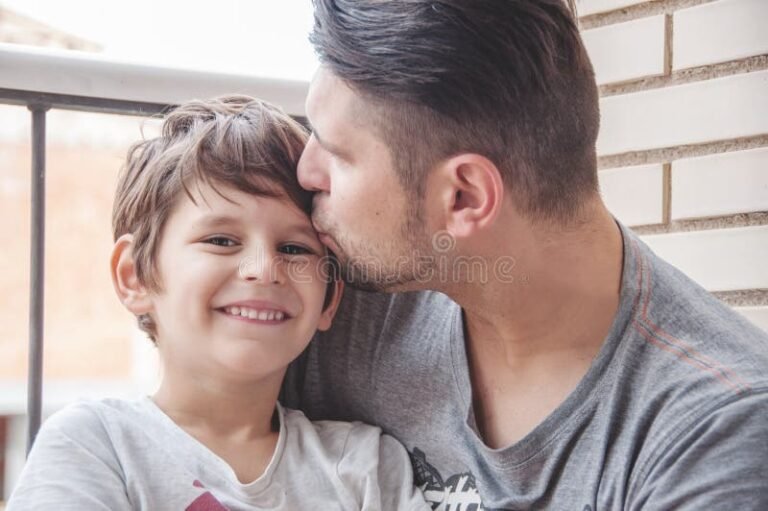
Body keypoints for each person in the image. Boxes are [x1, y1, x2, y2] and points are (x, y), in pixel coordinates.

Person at [282, 0, 768, 509]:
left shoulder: (714, 437)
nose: (306, 172)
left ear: (463, 197)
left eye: (335, 152)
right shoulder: (338, 307)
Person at [8, 96, 429, 510]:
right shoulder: (94, 444)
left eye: (294, 248)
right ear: (134, 275)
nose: (264, 269)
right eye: (221, 240)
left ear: (329, 300)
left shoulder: (364, 464)